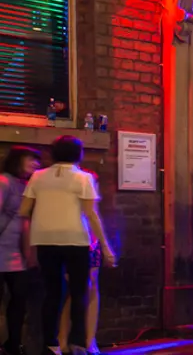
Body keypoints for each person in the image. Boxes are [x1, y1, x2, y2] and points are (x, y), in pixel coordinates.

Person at [19, 136, 115, 355]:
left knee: (52, 293)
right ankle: (78, 342)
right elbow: (92, 214)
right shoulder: (83, 178)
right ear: (79, 154)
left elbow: (24, 210)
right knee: (80, 291)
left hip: (44, 239)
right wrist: (106, 247)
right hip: (75, 239)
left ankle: (51, 344)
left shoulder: (37, 176)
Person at [1, 147, 41, 355]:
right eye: (31, 159)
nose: (36, 164)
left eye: (37, 161)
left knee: (18, 302)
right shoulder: (4, 181)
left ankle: (13, 344)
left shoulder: (26, 185)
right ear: (17, 160)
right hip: (1, 252)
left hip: (17, 256)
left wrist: (29, 252)